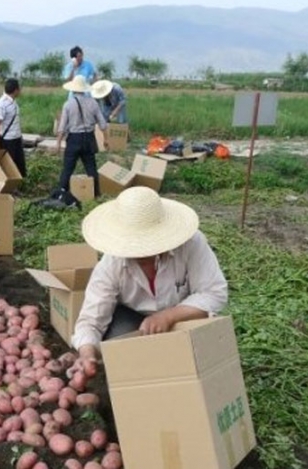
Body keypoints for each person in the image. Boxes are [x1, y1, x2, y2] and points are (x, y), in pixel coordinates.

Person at [70, 186, 229, 375]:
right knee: (120, 352)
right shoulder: (111, 265)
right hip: (135, 321)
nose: (141, 254)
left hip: (182, 318)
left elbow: (214, 293)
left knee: (203, 355)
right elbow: (91, 320)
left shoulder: (191, 244)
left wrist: (167, 316)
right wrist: (87, 353)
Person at [56, 75, 107, 197]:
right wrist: (106, 139)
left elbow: (62, 127)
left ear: (73, 89)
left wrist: (58, 143)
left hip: (73, 139)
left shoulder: (68, 104)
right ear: (85, 89)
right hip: (89, 138)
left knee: (68, 168)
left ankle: (62, 193)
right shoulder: (93, 103)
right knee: (91, 168)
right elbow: (103, 124)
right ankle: (95, 193)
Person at [0, 78, 26, 178]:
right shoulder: (1, 103)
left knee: (19, 163)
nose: (20, 90)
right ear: (15, 90)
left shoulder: (13, 101)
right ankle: (10, 187)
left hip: (17, 138)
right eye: (19, 88)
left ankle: (18, 184)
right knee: (10, 165)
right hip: (8, 140)